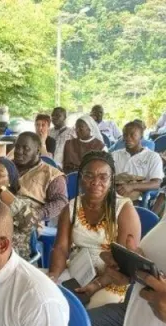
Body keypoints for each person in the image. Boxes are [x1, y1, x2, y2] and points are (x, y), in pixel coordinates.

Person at [49, 151, 141, 307]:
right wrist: (53, 276)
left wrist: (97, 284)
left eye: (103, 177)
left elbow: (125, 261)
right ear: (80, 179)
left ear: (111, 180)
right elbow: (61, 248)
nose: (95, 182)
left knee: (87, 311)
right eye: (89, 176)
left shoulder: (124, 209)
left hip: (112, 277)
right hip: (79, 270)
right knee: (53, 300)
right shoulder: (71, 207)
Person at [13, 132, 68, 221]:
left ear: (38, 151)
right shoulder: (4, 167)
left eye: (25, 148)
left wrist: (36, 215)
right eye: (17, 147)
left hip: (27, 222)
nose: (19, 151)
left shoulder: (52, 175)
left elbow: (60, 203)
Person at [112, 121, 163, 200]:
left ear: (141, 137)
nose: (128, 138)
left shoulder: (152, 157)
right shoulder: (115, 155)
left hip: (138, 197)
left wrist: (132, 186)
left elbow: (156, 183)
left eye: (132, 135)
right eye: (125, 135)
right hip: (114, 193)